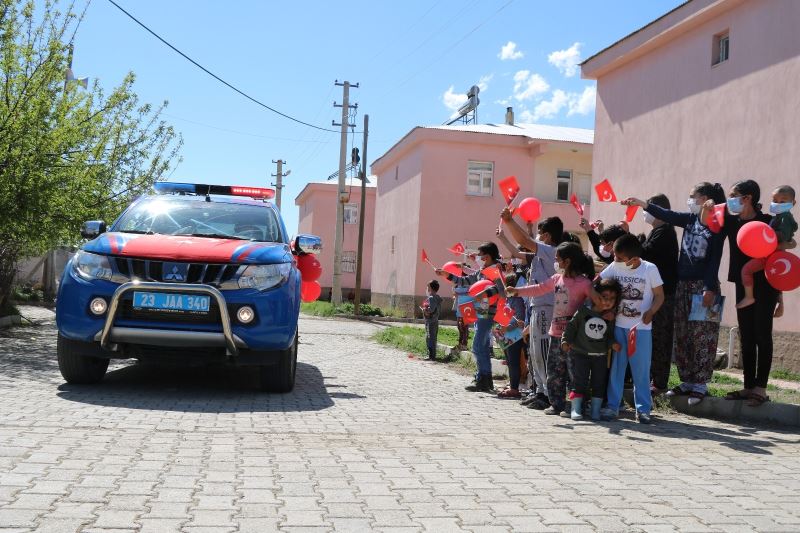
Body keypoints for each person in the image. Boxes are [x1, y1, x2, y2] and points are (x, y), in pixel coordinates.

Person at [623, 182, 726, 405]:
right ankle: (687, 381)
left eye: (693, 196)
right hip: (683, 285)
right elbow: (666, 214)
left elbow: (714, 260)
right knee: (683, 335)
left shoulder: (717, 225)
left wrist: (709, 287)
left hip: (706, 287)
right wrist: (642, 203)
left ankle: (700, 384)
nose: (689, 200)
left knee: (703, 336)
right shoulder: (689, 220)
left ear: (705, 198)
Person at [718, 180, 796, 407]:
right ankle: (748, 386)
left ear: (748, 198)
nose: (731, 200)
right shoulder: (732, 223)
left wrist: (779, 299)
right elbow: (710, 219)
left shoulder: (766, 222)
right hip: (744, 285)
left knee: (763, 335)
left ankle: (760, 388)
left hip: (767, 285)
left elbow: (780, 252)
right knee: (747, 336)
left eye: (734, 195)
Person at [506, 242, 595, 416]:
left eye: (558, 259)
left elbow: (596, 303)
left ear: (567, 261)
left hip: (575, 338)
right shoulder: (556, 279)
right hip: (555, 334)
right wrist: (517, 291)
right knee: (554, 371)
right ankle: (557, 404)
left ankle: (578, 406)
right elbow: (539, 289)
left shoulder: (584, 283)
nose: (556, 263)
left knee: (575, 372)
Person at [499, 211, 564, 410]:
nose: (537, 236)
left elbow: (525, 240)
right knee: (534, 352)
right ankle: (539, 391)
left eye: (540, 232)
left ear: (547, 236)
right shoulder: (539, 254)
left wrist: (510, 221)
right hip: (536, 305)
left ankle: (547, 394)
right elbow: (518, 252)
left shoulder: (551, 251)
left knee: (543, 351)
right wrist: (503, 236)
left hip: (547, 306)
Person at [598, 234, 665, 424]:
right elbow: (599, 284)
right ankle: (612, 407)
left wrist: (651, 311)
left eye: (619, 258)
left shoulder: (650, 269)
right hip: (619, 327)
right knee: (617, 369)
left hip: (641, 330)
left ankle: (643, 409)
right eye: (615, 256)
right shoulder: (615, 266)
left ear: (634, 259)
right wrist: (607, 309)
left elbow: (660, 296)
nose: (615, 260)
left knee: (641, 371)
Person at [436, 242, 505, 392]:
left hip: (488, 312)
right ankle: (485, 379)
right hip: (479, 310)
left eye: (480, 255)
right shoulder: (482, 271)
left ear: (487, 256)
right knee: (483, 347)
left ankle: (482, 377)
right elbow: (465, 280)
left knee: (477, 345)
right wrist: (447, 275)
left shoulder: (496, 270)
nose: (478, 258)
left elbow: (501, 289)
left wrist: (485, 293)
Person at [561, 278, 622, 421]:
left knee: (599, 383)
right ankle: (576, 409)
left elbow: (609, 335)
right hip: (580, 353)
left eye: (612, 299)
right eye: (604, 297)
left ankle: (595, 411)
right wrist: (566, 340)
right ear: (596, 295)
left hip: (600, 356)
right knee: (578, 381)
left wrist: (613, 344)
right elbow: (571, 327)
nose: (607, 301)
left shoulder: (610, 317)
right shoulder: (584, 311)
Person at [638, 194, 679, 394]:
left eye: (648, 210)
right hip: (652, 292)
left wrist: (631, 238)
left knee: (661, 338)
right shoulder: (657, 231)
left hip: (664, 294)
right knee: (651, 338)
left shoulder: (665, 231)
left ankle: (659, 382)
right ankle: (650, 378)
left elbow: (645, 252)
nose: (645, 214)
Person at [736, 185, 797, 309]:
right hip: (773, 254)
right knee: (776, 278)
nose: (777, 203)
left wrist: (768, 235)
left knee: (746, 271)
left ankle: (749, 297)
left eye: (782, 201)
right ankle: (777, 302)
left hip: (770, 254)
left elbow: (783, 235)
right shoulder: (778, 217)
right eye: (774, 200)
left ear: (793, 203)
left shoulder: (785, 217)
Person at [496, 273, 529, 399]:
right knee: (510, 362)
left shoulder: (518, 300)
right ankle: (512, 385)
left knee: (514, 362)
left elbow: (519, 319)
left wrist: (507, 327)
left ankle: (514, 388)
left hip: (515, 336)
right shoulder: (508, 300)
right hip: (506, 335)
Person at [422, 280, 442, 361]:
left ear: (431, 288)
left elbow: (431, 309)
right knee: (433, 337)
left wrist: (425, 309)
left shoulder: (431, 298)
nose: (427, 289)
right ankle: (432, 354)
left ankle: (431, 355)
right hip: (435, 320)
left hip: (430, 321)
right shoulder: (437, 297)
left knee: (429, 337)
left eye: (428, 287)